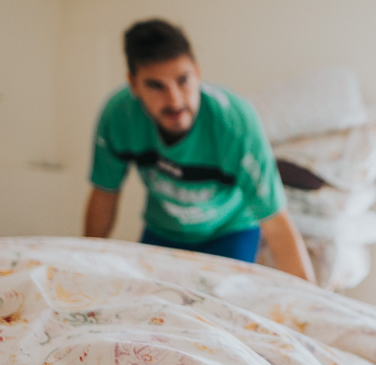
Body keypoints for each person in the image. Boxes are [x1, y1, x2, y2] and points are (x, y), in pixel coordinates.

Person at [83, 18, 314, 282]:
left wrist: (314, 306)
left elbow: (277, 224)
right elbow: (104, 195)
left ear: (198, 72)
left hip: (230, 231)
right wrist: (85, 263)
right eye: (156, 86)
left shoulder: (235, 124)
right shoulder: (119, 116)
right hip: (162, 231)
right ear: (133, 84)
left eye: (183, 80)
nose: (175, 100)